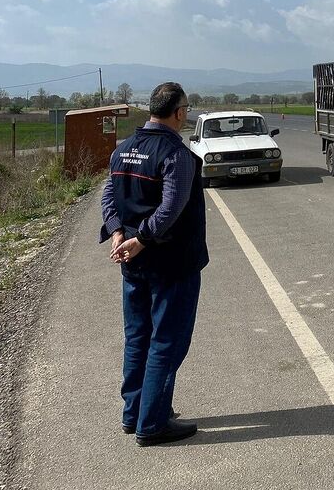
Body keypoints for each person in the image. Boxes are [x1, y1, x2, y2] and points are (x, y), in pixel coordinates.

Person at [100, 82, 209, 446]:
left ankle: (134, 414)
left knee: (137, 337)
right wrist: (140, 239)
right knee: (167, 341)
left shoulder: (123, 150)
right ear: (178, 112)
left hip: (133, 261)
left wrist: (118, 233)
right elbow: (171, 209)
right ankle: (153, 423)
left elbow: (109, 196)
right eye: (187, 108)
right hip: (170, 263)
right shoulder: (175, 154)